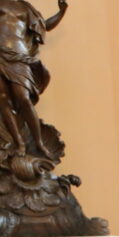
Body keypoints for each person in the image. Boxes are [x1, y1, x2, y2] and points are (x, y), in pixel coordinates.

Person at [0, 0, 68, 158]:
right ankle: (19, 143)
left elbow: (44, 25)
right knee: (2, 99)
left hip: (17, 52)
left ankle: (38, 143)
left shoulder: (25, 8)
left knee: (23, 97)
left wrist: (61, 12)